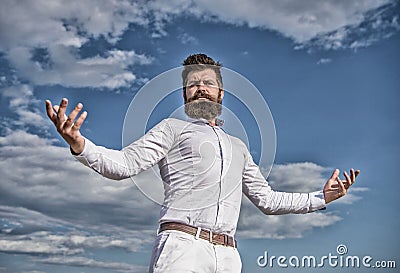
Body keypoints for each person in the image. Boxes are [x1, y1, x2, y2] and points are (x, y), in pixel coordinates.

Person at [45, 53, 360, 273]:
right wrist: (79, 144)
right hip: (181, 247)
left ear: (220, 93)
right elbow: (123, 164)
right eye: (192, 84)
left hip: (228, 256)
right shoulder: (171, 129)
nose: (199, 88)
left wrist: (322, 197)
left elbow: (267, 200)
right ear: (184, 95)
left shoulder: (238, 147)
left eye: (207, 83)